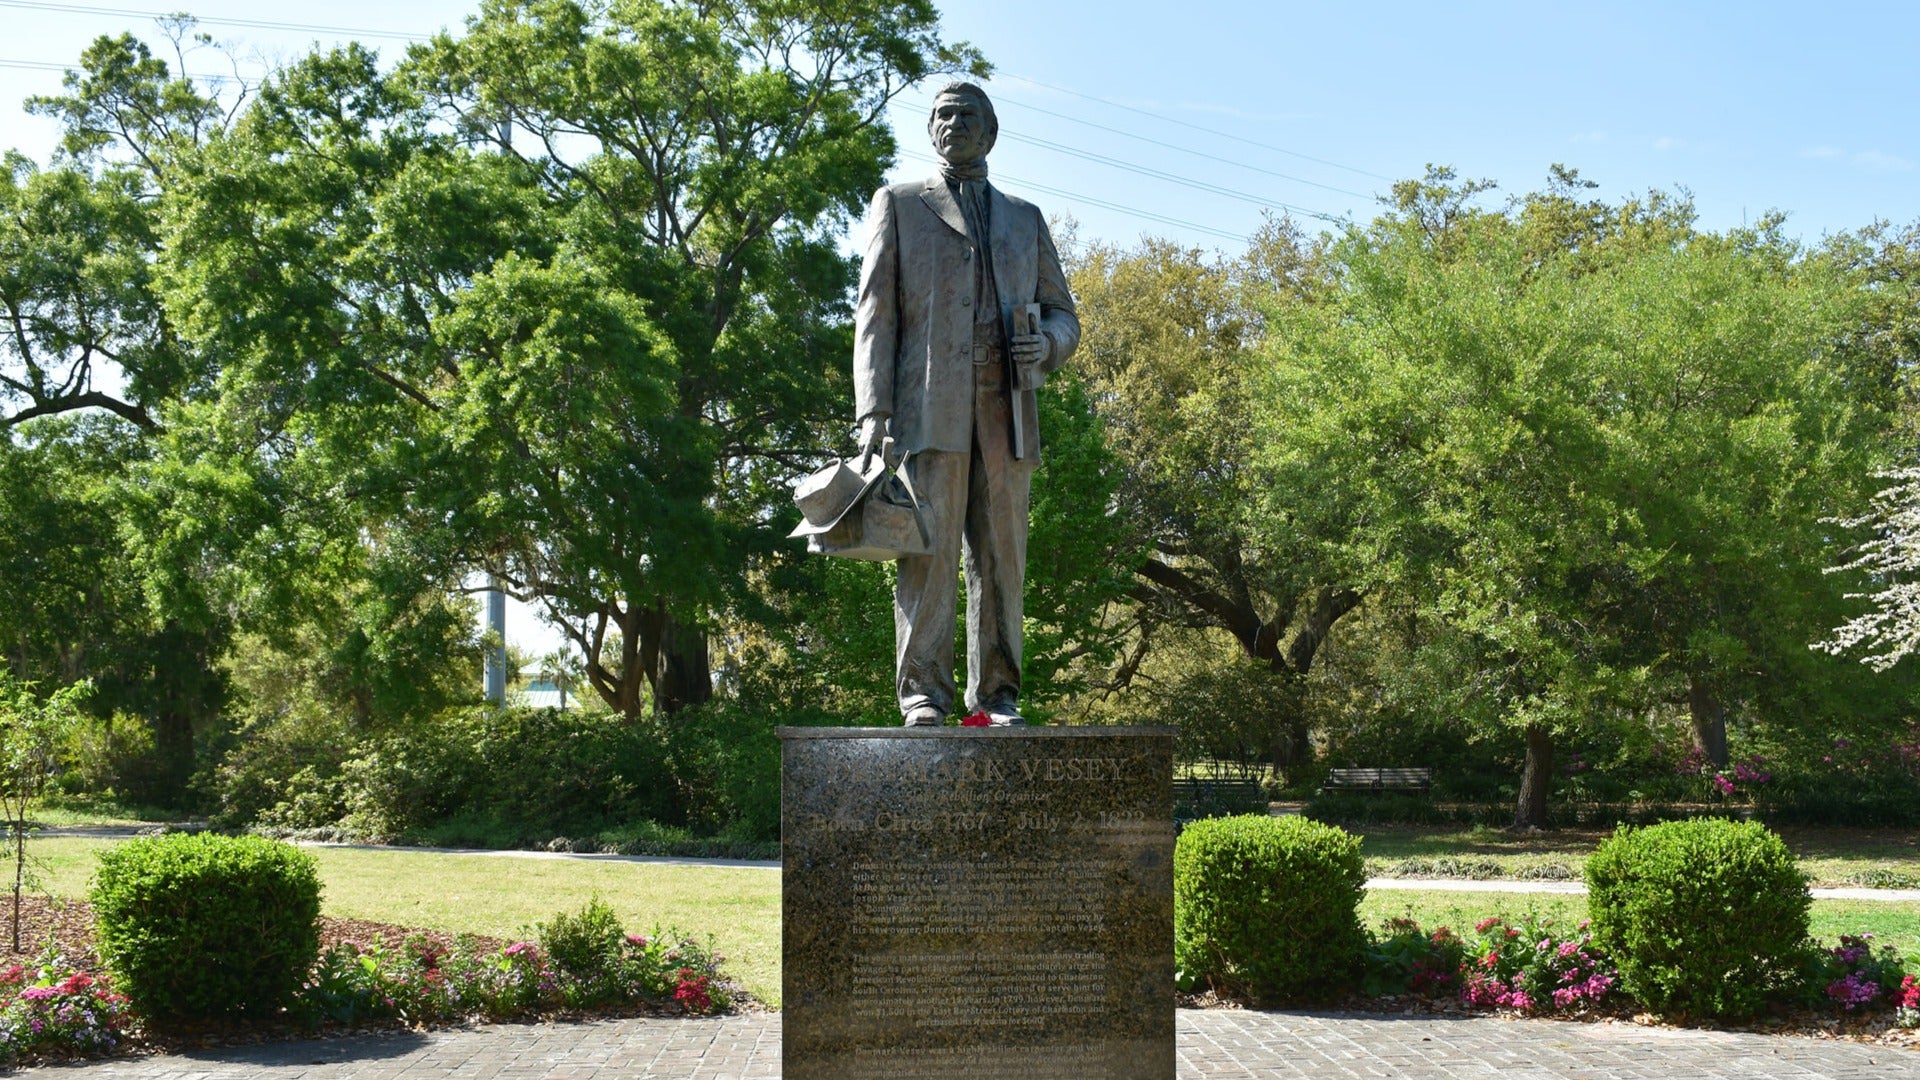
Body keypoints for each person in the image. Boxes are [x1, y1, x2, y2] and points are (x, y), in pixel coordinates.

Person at [851, 82, 1080, 726]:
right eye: (943, 115)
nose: (954, 123)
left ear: (991, 132)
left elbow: (1065, 316)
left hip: (1007, 410)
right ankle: (922, 692)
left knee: (1002, 558)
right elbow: (875, 313)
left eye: (967, 115)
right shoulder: (897, 204)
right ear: (931, 131)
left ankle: (998, 695)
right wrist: (873, 408)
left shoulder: (1024, 218)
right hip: (929, 406)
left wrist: (1050, 346)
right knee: (927, 554)